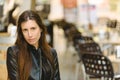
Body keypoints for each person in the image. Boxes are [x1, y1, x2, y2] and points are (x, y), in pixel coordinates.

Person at [6, 10, 61, 80]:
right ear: (21, 32)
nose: (30, 34)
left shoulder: (51, 53)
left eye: (33, 29)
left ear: (40, 29)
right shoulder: (14, 52)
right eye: (25, 30)